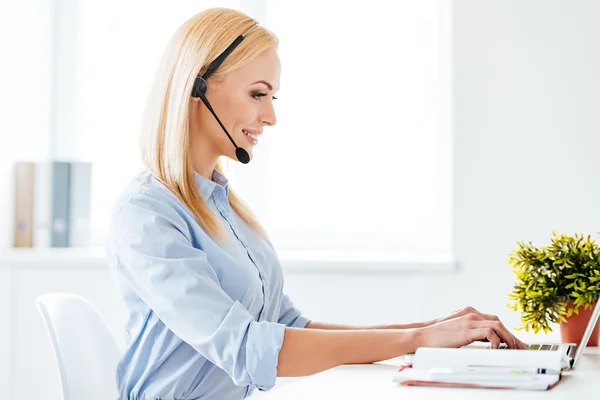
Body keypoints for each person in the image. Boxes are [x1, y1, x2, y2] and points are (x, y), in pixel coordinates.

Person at [106, 7, 528, 400]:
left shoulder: (225, 207)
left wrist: (430, 329)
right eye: (257, 94)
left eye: (272, 97)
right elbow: (250, 348)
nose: (270, 116)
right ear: (196, 87)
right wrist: (416, 340)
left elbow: (287, 328)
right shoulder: (147, 214)